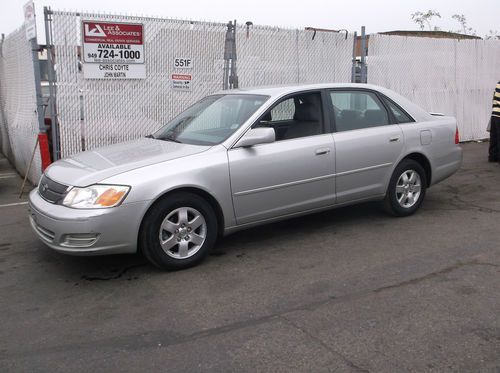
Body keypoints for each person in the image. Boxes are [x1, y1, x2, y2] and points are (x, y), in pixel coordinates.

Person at [489, 80, 500, 163]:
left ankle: (492, 157)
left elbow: (494, 98)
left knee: (494, 137)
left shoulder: (498, 83)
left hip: (494, 114)